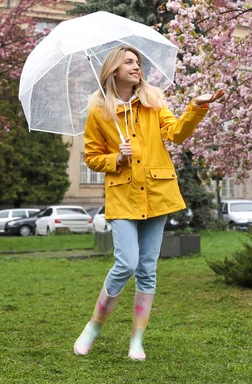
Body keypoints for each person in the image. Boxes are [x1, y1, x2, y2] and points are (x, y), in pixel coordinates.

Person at [74, 45, 224, 361]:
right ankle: (93, 326)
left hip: (158, 194)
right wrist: (117, 157)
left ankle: (136, 341)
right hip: (123, 195)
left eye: (138, 62)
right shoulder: (99, 111)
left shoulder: (153, 102)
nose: (136, 66)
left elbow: (177, 133)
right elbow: (90, 157)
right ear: (114, 70)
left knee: (147, 269)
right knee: (126, 263)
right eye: (128, 62)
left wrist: (196, 107)